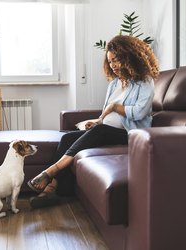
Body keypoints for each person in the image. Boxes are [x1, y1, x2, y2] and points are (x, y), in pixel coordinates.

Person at [27, 35, 159, 208]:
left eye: (117, 60)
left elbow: (139, 112)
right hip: (106, 130)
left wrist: (113, 107)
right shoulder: (114, 84)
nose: (113, 65)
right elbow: (105, 115)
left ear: (130, 56)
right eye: (110, 61)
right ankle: (61, 189)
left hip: (130, 134)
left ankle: (51, 173)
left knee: (100, 131)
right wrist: (97, 121)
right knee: (67, 138)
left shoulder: (144, 81)